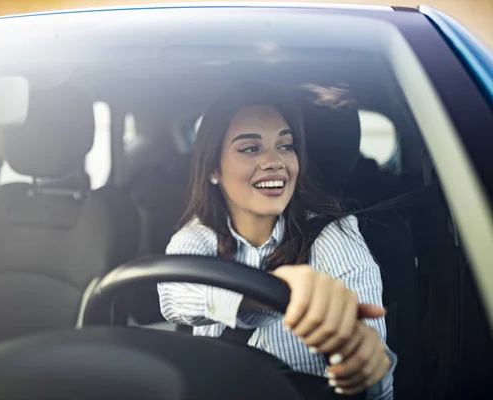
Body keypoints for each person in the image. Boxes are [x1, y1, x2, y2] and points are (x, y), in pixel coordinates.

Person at [157, 83, 396, 399]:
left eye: (285, 146)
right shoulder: (198, 236)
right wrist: (267, 294)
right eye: (250, 148)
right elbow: (174, 294)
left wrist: (358, 357)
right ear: (214, 169)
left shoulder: (335, 237)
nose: (274, 161)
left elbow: (371, 365)